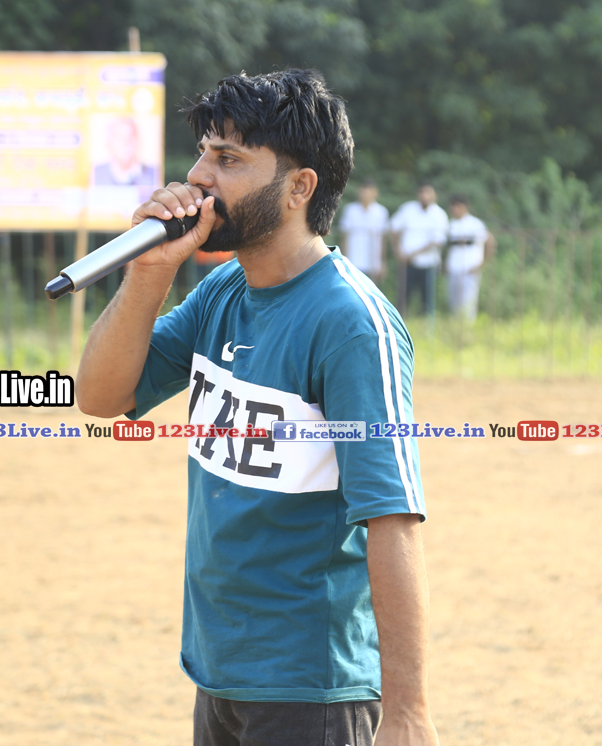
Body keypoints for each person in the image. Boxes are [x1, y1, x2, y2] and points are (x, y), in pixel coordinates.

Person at [75, 70, 438, 746]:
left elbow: (392, 517)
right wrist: (149, 270)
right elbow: (100, 396)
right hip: (221, 668)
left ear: (299, 187)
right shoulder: (222, 292)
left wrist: (408, 713)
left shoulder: (351, 323)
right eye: (203, 153)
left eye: (229, 158)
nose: (198, 177)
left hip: (310, 685)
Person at [389, 183, 447, 317]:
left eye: (428, 193)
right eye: (422, 192)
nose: (424, 196)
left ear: (434, 195)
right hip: (407, 263)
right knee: (403, 297)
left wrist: (414, 254)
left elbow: (437, 241)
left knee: (427, 299)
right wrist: (398, 250)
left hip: (428, 263)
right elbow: (393, 228)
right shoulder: (408, 209)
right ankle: (400, 321)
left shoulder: (439, 214)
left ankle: (426, 324)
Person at [444, 195, 494, 323]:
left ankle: (468, 327)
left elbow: (490, 242)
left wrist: (481, 264)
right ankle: (455, 326)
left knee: (469, 301)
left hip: (470, 268)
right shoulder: (451, 224)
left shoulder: (475, 224)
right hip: (454, 268)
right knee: (454, 301)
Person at [338, 178, 389, 284]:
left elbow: (382, 240)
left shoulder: (381, 212)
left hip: (373, 262)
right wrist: (344, 259)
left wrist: (383, 262)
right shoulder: (350, 210)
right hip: (353, 260)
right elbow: (344, 237)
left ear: (375, 193)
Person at [92, 117, 157, 186]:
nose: (126, 143)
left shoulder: (153, 173)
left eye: (130, 137)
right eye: (119, 137)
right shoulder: (95, 173)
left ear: (138, 141)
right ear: (109, 143)